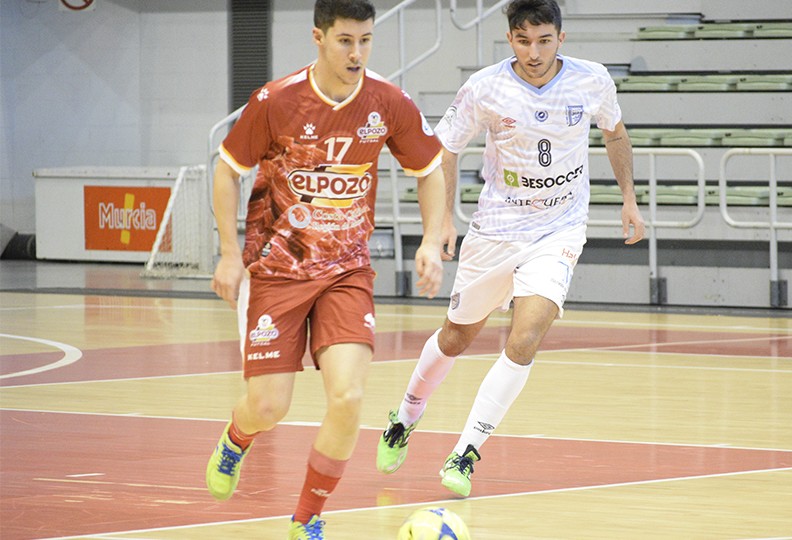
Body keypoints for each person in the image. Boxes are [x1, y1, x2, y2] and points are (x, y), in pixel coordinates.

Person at [375, 0, 645, 497]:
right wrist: (441, 224)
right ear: (510, 39)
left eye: (544, 40)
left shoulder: (593, 80)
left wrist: (629, 199)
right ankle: (405, 415)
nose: (534, 51)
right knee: (456, 338)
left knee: (525, 339)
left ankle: (465, 452)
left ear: (561, 38)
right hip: (497, 228)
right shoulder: (485, 86)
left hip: (560, 229)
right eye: (524, 41)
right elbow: (445, 150)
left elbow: (615, 132)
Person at [204, 1, 449, 538]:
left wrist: (432, 240)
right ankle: (237, 438)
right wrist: (228, 252)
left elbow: (429, 169)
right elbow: (227, 172)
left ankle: (307, 518)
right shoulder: (275, 100)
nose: (357, 53)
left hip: (346, 273)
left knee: (349, 398)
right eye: (345, 41)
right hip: (277, 271)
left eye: (365, 40)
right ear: (318, 37)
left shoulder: (388, 101)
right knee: (269, 407)